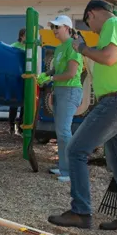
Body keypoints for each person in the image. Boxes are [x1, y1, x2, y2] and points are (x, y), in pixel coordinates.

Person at [48, 0, 117, 231]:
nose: (93, 30)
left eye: (90, 23)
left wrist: (81, 48)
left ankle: (81, 212)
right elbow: (110, 60)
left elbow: (109, 57)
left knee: (76, 149)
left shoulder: (114, 23)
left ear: (92, 14)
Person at [37, 16, 83, 183]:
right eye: (53, 27)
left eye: (57, 27)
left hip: (70, 91)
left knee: (64, 132)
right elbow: (57, 69)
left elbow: (71, 73)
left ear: (67, 28)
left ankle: (70, 171)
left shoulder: (73, 46)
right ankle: (64, 167)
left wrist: (51, 79)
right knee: (61, 132)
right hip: (60, 91)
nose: (54, 30)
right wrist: (46, 74)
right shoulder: (59, 48)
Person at [9, 28, 26, 135]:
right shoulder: (14, 46)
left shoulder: (30, 48)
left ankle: (21, 126)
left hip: (26, 78)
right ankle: (11, 125)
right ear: (21, 36)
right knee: (14, 102)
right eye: (26, 35)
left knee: (24, 103)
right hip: (15, 77)